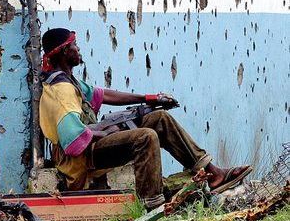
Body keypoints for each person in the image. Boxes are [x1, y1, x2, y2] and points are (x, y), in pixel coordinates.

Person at [39, 27, 252, 209]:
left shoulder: (69, 81)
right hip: (80, 157)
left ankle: (213, 173)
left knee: (159, 118)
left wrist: (149, 99)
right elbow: (73, 139)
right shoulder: (62, 90)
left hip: (90, 145)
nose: (78, 49)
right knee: (145, 137)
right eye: (75, 46)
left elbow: (104, 95)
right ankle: (152, 205)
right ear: (65, 51)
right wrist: (105, 131)